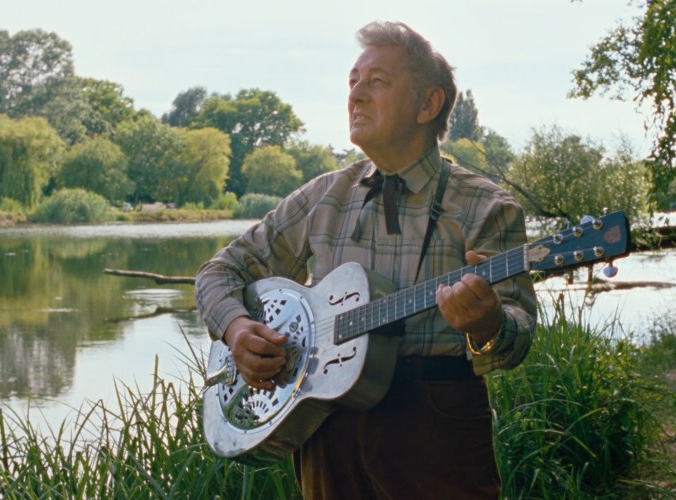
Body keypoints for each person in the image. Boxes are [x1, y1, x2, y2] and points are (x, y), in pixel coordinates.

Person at [195, 20, 537, 499]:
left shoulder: (486, 206)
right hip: (326, 428)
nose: (355, 95)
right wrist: (236, 329)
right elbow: (219, 272)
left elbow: (517, 335)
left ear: (428, 104)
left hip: (436, 428)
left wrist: (487, 325)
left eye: (377, 81)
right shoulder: (323, 196)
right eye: (353, 82)